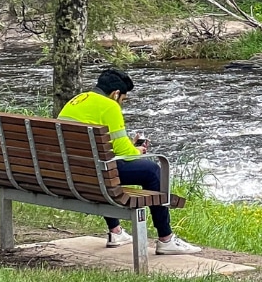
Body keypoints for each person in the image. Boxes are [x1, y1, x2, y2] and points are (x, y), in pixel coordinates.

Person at [57, 68, 200, 254]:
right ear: (116, 94)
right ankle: (166, 239)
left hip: (70, 170)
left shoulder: (76, 100)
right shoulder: (110, 106)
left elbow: (102, 145)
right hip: (97, 172)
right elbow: (127, 154)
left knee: (106, 171)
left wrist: (128, 147)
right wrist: (138, 150)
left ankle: (115, 232)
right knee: (153, 170)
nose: (122, 104)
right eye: (123, 99)